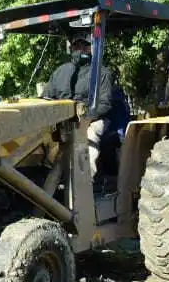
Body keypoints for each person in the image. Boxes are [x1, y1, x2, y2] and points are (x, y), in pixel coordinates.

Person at [42, 32, 116, 179]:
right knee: (41, 141)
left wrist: (84, 117)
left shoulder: (102, 72)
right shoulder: (60, 72)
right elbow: (45, 98)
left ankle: (85, 187)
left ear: (92, 48)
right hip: (64, 121)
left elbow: (105, 104)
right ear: (71, 48)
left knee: (86, 141)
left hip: (93, 120)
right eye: (77, 45)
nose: (80, 49)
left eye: (85, 45)